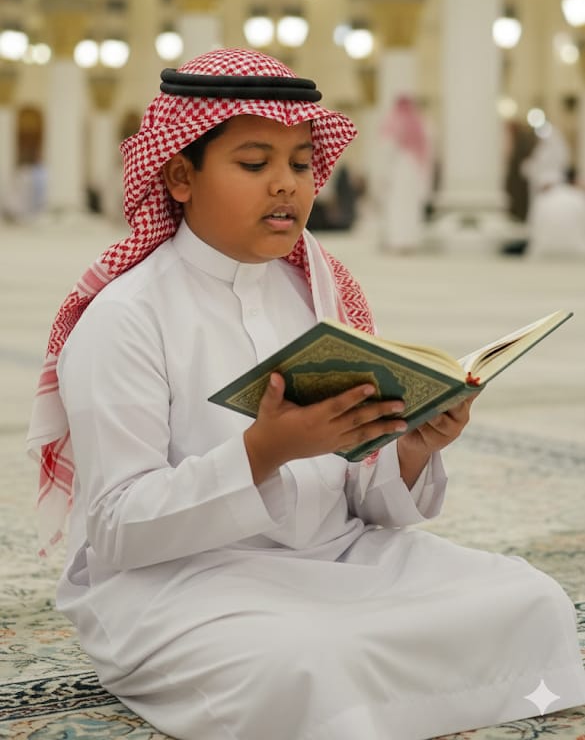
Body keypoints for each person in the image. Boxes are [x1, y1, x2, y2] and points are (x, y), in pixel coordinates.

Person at [27, 48, 585, 740]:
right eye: (254, 164)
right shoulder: (125, 316)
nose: (287, 186)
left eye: (298, 164)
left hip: (337, 557)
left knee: (532, 601)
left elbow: (358, 495)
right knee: (304, 663)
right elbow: (115, 529)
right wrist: (261, 454)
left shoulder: (315, 289)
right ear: (178, 175)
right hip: (181, 584)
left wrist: (408, 448)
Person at [378, 94, 433, 254]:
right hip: (414, 171)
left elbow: (386, 151)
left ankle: (397, 241)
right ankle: (408, 241)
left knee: (397, 207)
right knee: (410, 209)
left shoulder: (393, 124)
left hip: (398, 171)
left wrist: (383, 176)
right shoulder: (421, 124)